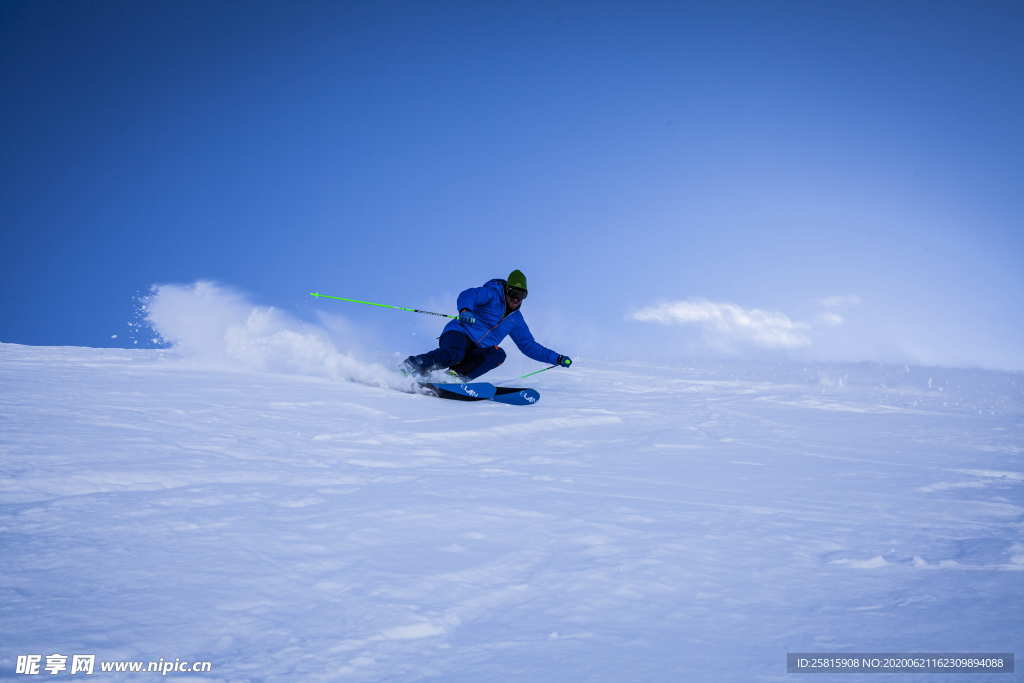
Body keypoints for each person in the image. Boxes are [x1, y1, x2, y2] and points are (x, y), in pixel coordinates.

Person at [402, 270, 572, 381]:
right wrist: (466, 310)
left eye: (521, 295)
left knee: (498, 354)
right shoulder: (491, 294)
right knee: (455, 354)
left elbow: (529, 346)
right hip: (459, 333)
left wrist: (556, 358)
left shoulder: (516, 320)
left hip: (478, 348)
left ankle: (455, 377)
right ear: (506, 289)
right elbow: (469, 295)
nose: (515, 299)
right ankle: (413, 365)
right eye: (513, 293)